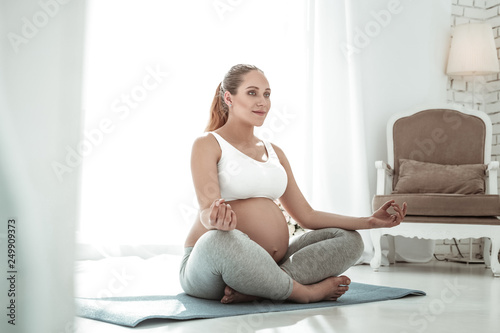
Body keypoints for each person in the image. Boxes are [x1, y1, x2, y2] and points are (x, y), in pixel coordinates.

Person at [179, 64, 407, 304]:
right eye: (252, 92)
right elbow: (207, 209)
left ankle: (263, 285)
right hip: (212, 264)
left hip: (270, 264)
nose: (262, 102)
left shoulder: (274, 152)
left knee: (350, 240)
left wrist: (369, 221)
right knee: (221, 239)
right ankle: (305, 293)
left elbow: (306, 215)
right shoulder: (208, 143)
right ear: (229, 97)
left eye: (267, 94)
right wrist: (213, 220)